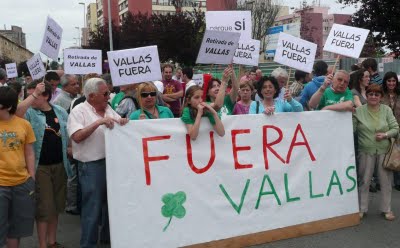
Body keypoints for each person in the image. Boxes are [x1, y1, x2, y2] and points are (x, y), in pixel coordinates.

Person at [67, 78, 128, 248]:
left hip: (111, 163)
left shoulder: (108, 108)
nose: (109, 96)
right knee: (92, 208)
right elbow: (77, 137)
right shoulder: (78, 112)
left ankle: (107, 239)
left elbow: (119, 126)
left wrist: (123, 122)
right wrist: (98, 122)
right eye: (106, 93)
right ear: (92, 96)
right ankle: (88, 244)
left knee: (112, 204)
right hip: (91, 166)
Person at [23, 81, 72, 248]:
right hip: (40, 166)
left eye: (34, 95)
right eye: (29, 95)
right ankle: (42, 244)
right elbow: (17, 114)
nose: (30, 99)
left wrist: (70, 147)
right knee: (44, 208)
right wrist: (33, 95)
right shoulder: (29, 112)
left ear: (46, 96)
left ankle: (52, 242)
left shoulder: (60, 112)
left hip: (60, 165)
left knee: (57, 206)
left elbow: (68, 134)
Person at [353, 84, 399, 220]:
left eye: (376, 94)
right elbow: (352, 129)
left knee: (385, 182)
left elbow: (396, 128)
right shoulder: (359, 111)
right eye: (370, 94)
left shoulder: (386, 110)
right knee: (364, 181)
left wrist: (385, 134)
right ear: (366, 96)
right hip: (365, 151)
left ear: (381, 97)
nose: (373, 97)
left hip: (384, 151)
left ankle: (387, 209)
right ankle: (362, 209)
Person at [0, 86, 36, 248]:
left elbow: (29, 152)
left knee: (16, 229)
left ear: (7, 106)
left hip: (22, 184)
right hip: (1, 185)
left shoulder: (24, 125)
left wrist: (31, 176)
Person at [381, 71, 400, 191]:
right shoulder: (381, 95)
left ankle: (398, 182)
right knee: (385, 155)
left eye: (393, 81)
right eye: (389, 81)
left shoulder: (399, 94)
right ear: (385, 82)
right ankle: (384, 182)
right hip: (386, 129)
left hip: (399, 128)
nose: (391, 83)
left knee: (398, 155)